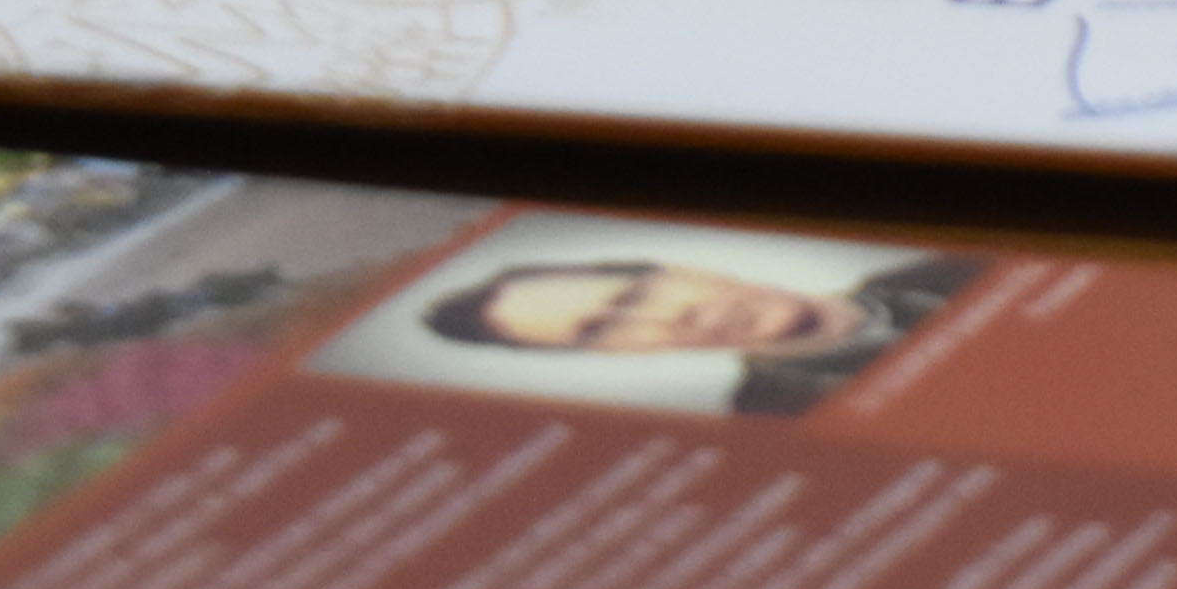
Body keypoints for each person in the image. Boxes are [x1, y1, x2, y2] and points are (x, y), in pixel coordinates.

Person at [415, 250, 976, 415]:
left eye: (635, 296)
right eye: (602, 329)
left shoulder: (960, 262)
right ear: (618, 355)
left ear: (682, 270)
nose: (665, 319)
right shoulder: (780, 424)